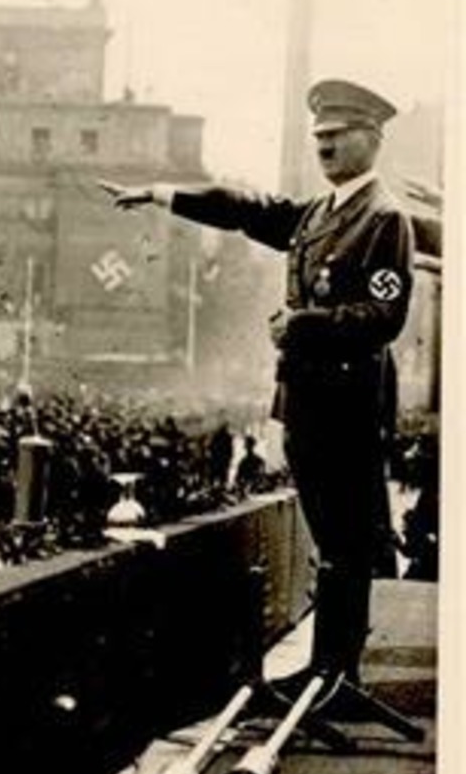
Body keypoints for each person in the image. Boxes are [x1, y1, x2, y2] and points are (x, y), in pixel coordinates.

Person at [102, 78, 413, 686]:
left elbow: (386, 317)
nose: (324, 145)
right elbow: (246, 209)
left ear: (372, 139)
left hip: (348, 403)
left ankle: (337, 676)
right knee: (331, 538)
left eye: (338, 135)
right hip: (307, 402)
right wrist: (163, 194)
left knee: (346, 543)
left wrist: (303, 325)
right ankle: (327, 670)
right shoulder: (320, 213)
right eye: (319, 135)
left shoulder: (384, 218)